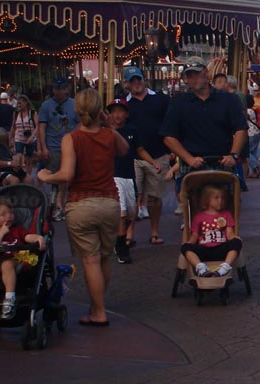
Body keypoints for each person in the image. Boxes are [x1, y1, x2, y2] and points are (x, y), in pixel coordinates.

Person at [38, 88, 129, 327]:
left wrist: (46, 176)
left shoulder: (72, 139)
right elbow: (124, 149)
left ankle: (98, 311)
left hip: (81, 203)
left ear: (76, 110)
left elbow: (67, 174)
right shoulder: (109, 136)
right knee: (104, 258)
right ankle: (97, 305)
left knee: (90, 260)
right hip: (109, 202)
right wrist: (109, 125)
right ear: (101, 110)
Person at [161, 58, 249, 175]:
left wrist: (233, 155)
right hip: (192, 163)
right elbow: (168, 136)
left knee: (232, 190)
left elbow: (241, 128)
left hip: (222, 160)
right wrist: (188, 159)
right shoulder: (179, 102)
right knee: (186, 191)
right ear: (186, 79)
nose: (194, 79)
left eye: (197, 74)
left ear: (206, 73)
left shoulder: (229, 99)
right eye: (190, 76)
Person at [0, 196, 46, 322]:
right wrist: (1, 233)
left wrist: (37, 237)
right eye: (3, 214)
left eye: (11, 213)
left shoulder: (17, 230)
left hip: (14, 259)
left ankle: (9, 298)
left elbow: (27, 237)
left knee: (7, 264)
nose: (9, 216)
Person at [107, 98, 161, 265]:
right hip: (113, 176)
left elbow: (140, 149)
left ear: (126, 114)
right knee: (122, 213)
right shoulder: (105, 132)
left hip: (129, 176)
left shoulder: (132, 130)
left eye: (121, 111)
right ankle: (123, 249)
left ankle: (119, 239)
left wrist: (152, 162)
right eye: (114, 111)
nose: (117, 114)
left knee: (132, 213)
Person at [124, 65, 171, 246]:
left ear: (144, 79)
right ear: (127, 84)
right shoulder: (125, 104)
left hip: (158, 153)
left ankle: (154, 231)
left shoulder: (160, 99)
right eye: (132, 81)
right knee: (133, 197)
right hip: (134, 156)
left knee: (155, 197)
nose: (136, 83)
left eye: (138, 79)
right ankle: (129, 233)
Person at [37, 77, 78, 221]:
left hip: (70, 146)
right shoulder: (46, 105)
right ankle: (52, 204)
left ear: (67, 89)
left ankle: (61, 204)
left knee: (66, 176)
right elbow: (41, 127)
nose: (59, 91)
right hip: (53, 145)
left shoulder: (74, 104)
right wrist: (43, 147)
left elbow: (79, 124)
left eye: (61, 88)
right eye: (56, 89)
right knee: (53, 175)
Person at [181, 184, 243, 278]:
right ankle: (200, 267)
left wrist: (235, 238)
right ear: (207, 200)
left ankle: (225, 266)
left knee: (236, 243)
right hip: (204, 249)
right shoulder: (199, 217)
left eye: (222, 198)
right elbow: (194, 237)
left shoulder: (226, 214)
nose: (220, 201)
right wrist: (188, 244)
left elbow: (229, 235)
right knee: (185, 247)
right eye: (216, 198)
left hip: (221, 249)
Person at [11, 95, 38, 182]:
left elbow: (37, 126)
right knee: (18, 156)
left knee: (29, 159)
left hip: (30, 138)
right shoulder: (16, 114)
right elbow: (13, 126)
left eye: (20, 103)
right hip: (19, 137)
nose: (19, 105)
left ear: (26, 102)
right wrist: (11, 138)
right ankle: (19, 175)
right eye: (18, 103)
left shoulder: (33, 113)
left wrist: (32, 136)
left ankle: (28, 177)